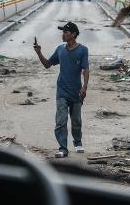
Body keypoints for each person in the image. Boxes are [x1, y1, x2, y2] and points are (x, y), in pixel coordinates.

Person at [33, 21, 90, 158]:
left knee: (76, 121)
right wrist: (39, 52)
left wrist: (85, 87)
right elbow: (47, 64)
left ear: (74, 34)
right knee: (61, 121)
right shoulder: (60, 49)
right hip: (62, 91)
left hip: (76, 92)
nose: (63, 34)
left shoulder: (83, 50)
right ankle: (63, 148)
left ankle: (77, 142)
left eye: (65, 32)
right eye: (62, 32)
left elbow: (85, 69)